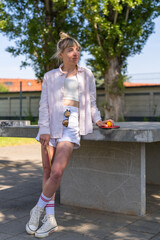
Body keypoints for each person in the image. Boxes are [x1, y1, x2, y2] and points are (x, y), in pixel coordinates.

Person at [26, 32, 114, 238]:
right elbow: (44, 105)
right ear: (61, 54)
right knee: (47, 173)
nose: (76, 54)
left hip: (70, 128)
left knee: (57, 173)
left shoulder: (86, 74)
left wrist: (98, 119)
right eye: (70, 50)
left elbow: (91, 102)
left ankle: (36, 210)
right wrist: (44, 129)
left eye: (78, 50)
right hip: (50, 127)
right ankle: (50, 220)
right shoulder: (50, 77)